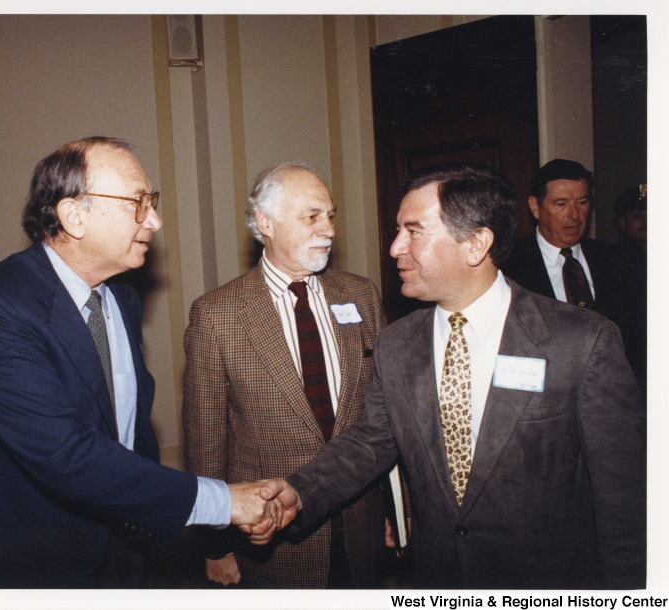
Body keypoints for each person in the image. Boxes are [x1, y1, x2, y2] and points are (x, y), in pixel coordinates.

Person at [254, 162, 646, 589]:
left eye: (414, 231)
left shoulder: (582, 343)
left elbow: (623, 504)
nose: (395, 248)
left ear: (475, 244)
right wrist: (300, 491)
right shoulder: (397, 344)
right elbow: (371, 441)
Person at [0, 136, 276, 588]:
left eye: (151, 202)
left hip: (125, 556)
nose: (154, 221)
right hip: (32, 567)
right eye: (137, 203)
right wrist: (223, 502)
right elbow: (66, 454)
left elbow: (127, 434)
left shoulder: (122, 298)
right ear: (73, 216)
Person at [183, 161, 389, 588]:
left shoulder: (361, 295)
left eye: (330, 216)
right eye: (311, 216)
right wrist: (214, 545)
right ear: (266, 223)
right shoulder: (218, 316)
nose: (328, 229)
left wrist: (394, 510)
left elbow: (385, 414)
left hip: (361, 523)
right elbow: (206, 443)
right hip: (270, 540)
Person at [503, 159, 620, 321]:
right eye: (561, 204)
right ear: (535, 207)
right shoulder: (509, 266)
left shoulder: (615, 259)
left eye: (582, 203)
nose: (574, 215)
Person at [611, 183, 647, 393]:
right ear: (623, 222)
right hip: (631, 368)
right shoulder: (610, 263)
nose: (646, 222)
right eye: (637, 216)